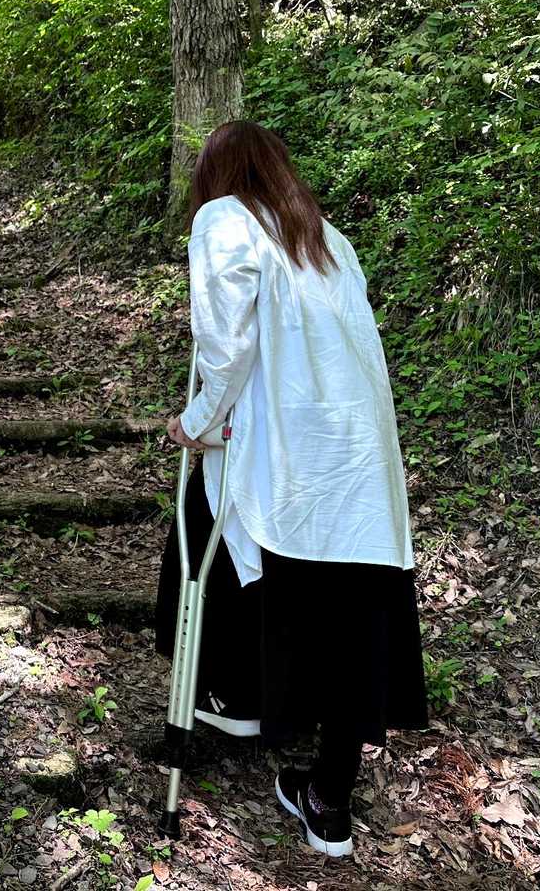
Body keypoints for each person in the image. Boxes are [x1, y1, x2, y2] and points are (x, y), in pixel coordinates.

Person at [153, 119, 428, 858]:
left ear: (217, 174)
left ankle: (234, 698)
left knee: (207, 525)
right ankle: (328, 801)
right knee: (353, 615)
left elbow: (226, 346)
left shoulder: (223, 219)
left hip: (287, 450)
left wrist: (196, 422)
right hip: (358, 458)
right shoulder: (328, 238)